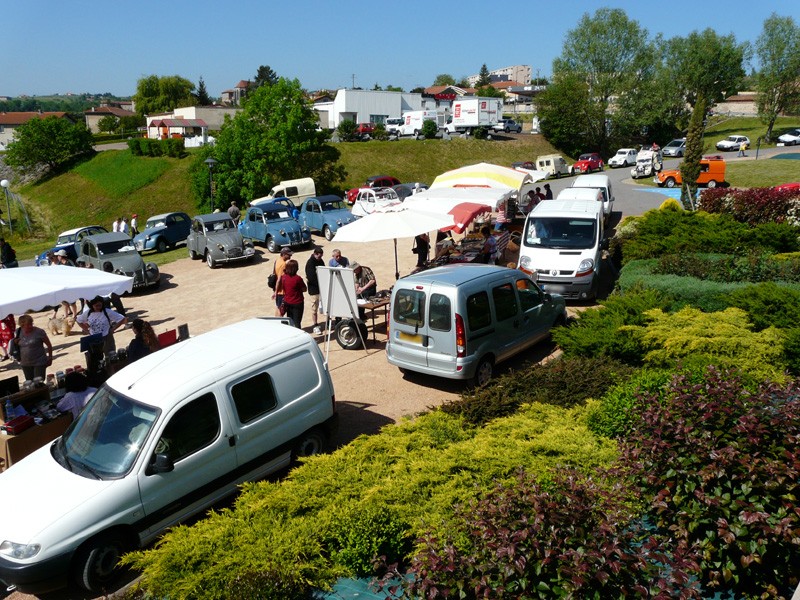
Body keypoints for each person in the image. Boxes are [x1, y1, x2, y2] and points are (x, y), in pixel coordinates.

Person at [14, 314, 53, 381]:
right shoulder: (18, 332)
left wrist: (50, 357)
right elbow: (15, 344)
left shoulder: (39, 332)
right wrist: (15, 341)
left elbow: (49, 345)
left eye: (31, 323)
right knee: (30, 384)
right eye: (28, 325)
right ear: (22, 325)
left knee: (39, 383)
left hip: (39, 362)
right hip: (25, 363)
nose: (31, 326)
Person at [276, 259, 306, 328]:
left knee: (290, 320)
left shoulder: (284, 277)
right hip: (297, 302)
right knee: (297, 322)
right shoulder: (298, 278)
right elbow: (304, 289)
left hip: (287, 301)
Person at [305, 246, 325, 334]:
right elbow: (311, 278)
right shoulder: (310, 263)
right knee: (314, 308)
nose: (320, 258)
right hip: (314, 290)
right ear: (315, 254)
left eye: (321, 256)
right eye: (319, 256)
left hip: (322, 288)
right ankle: (315, 325)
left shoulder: (320, 261)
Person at [271, 246, 292, 315]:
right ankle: (279, 323)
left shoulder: (277, 260)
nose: (290, 256)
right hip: (281, 291)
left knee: (278, 307)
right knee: (281, 310)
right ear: (283, 254)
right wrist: (276, 292)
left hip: (278, 290)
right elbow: (279, 279)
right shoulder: (283, 264)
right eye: (288, 255)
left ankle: (276, 322)